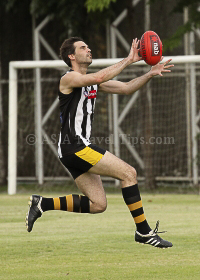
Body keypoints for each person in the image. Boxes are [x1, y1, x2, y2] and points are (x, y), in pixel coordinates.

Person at [26, 36, 174, 248]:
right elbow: (99, 77)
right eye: (83, 48)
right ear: (71, 56)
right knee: (129, 173)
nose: (89, 49)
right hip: (75, 146)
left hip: (71, 149)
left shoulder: (91, 82)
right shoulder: (69, 79)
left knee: (98, 204)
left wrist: (149, 74)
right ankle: (143, 231)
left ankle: (42, 203)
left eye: (88, 46)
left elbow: (126, 88)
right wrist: (130, 58)